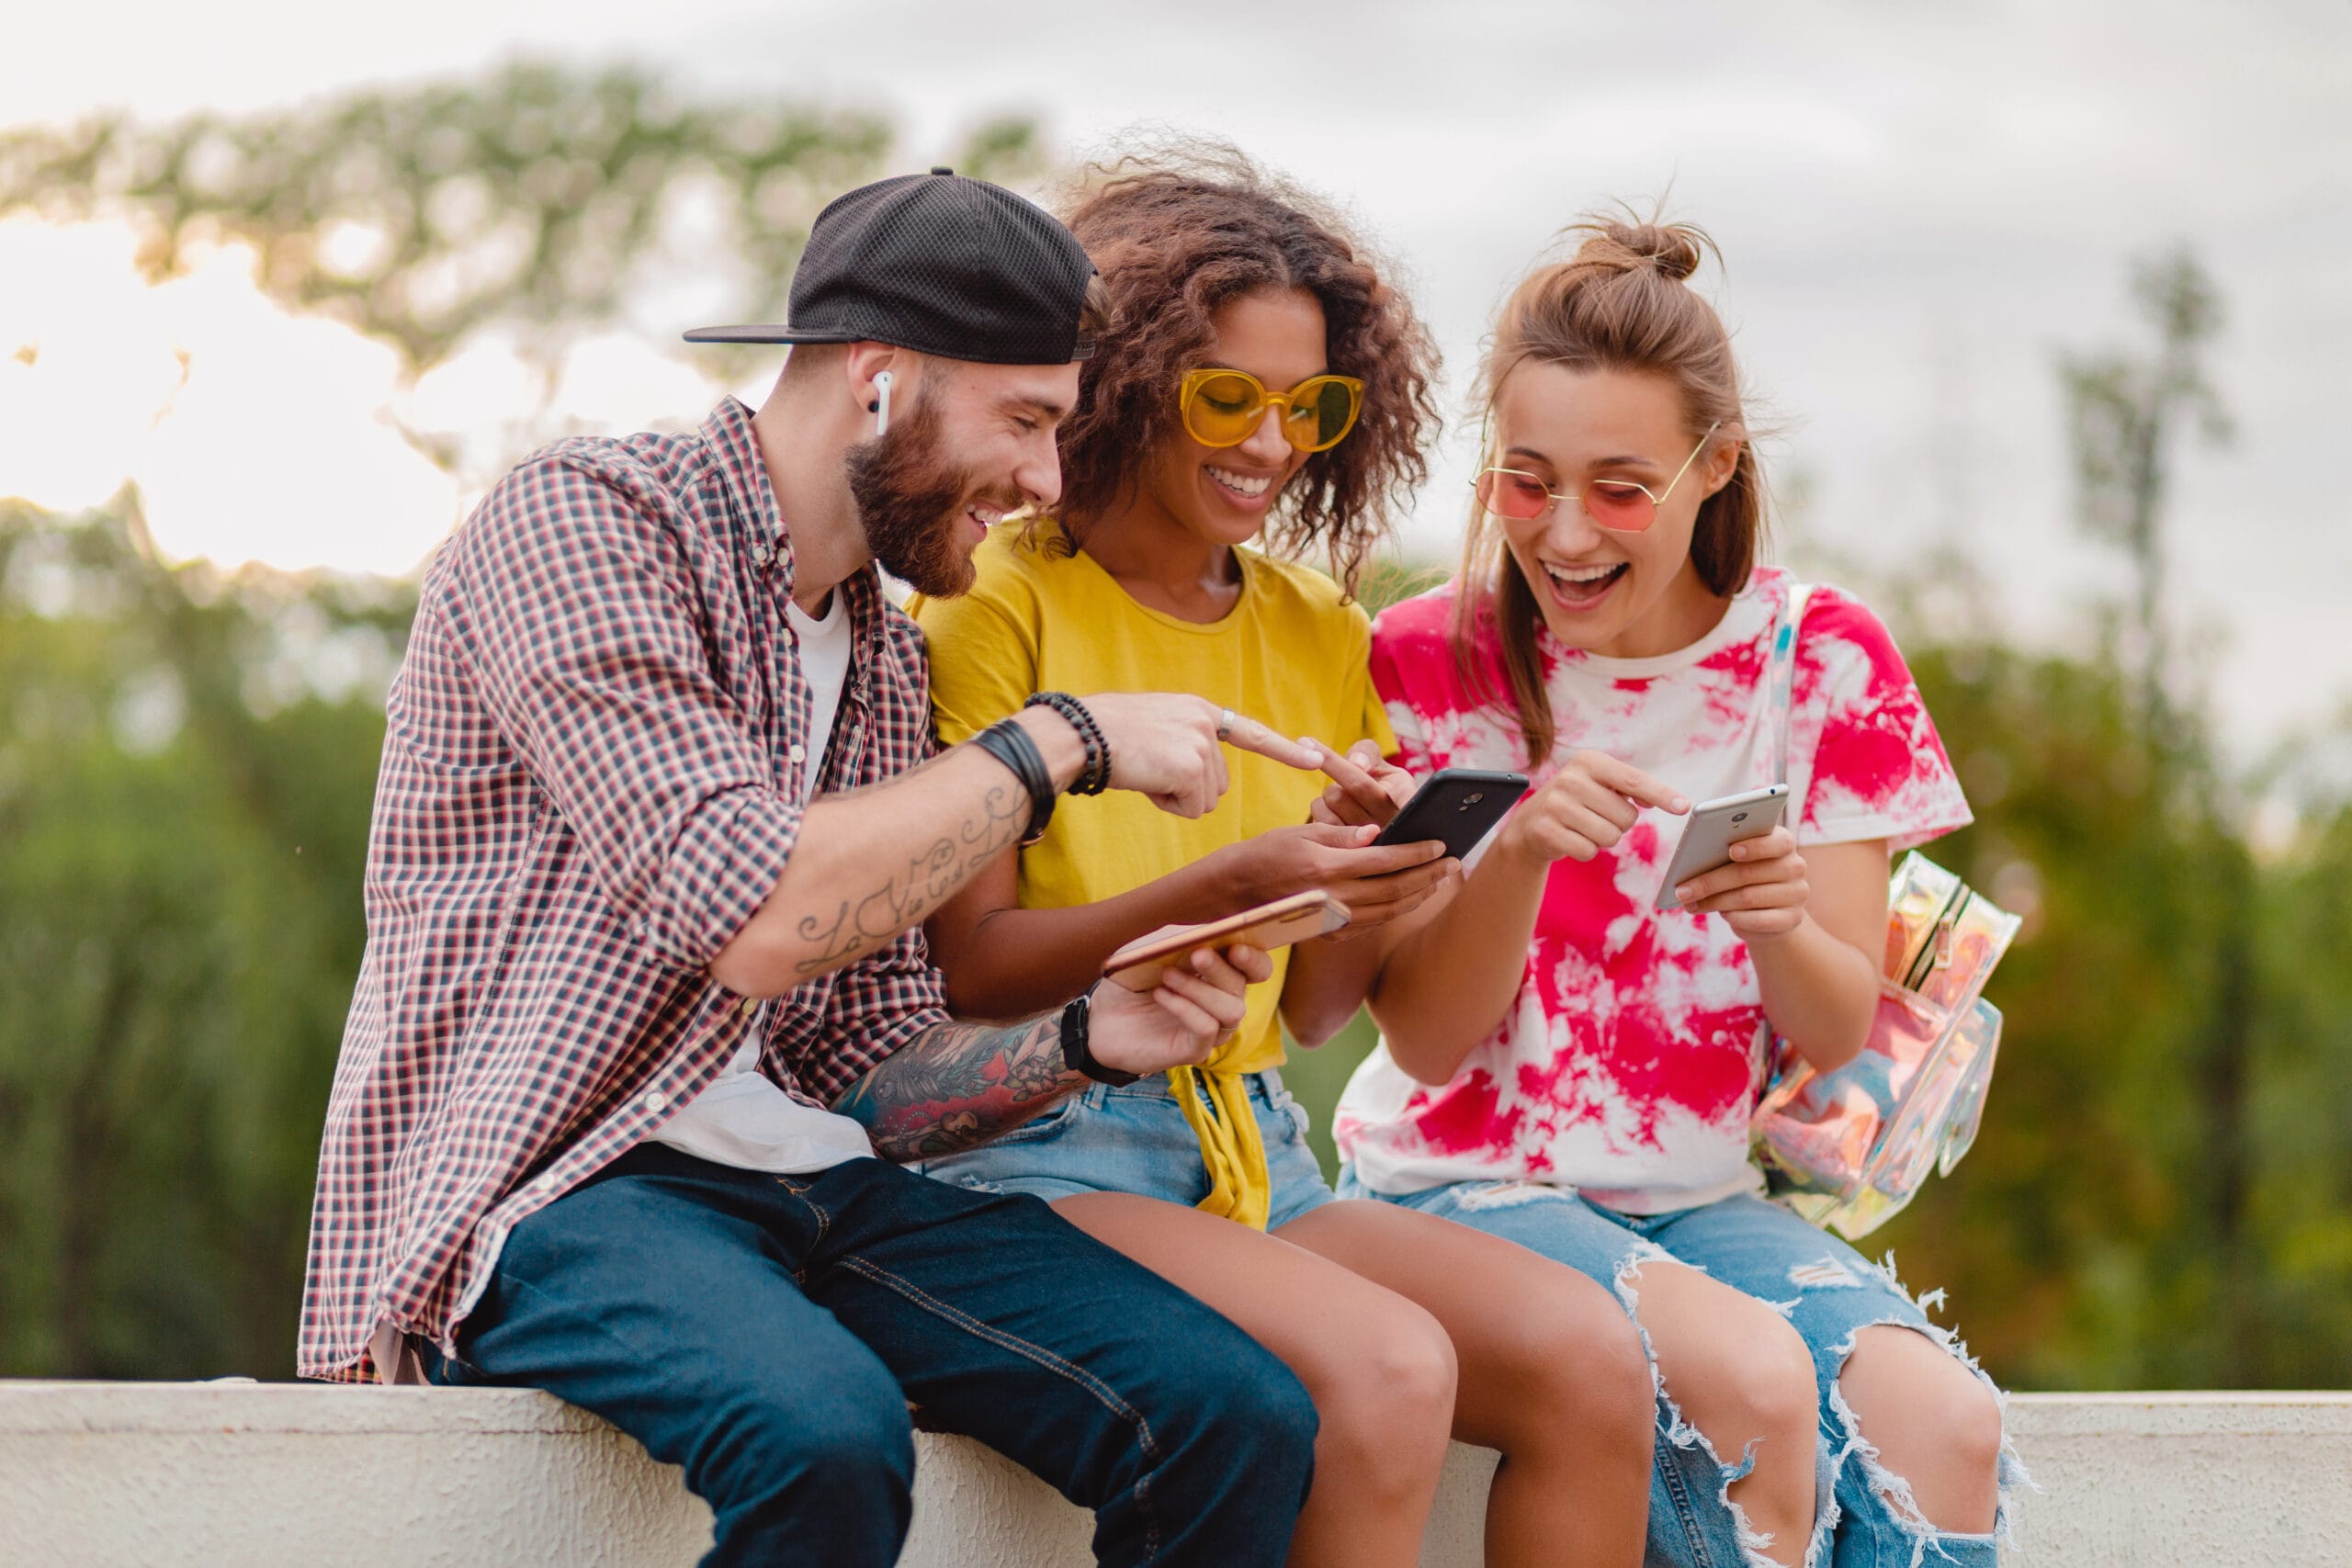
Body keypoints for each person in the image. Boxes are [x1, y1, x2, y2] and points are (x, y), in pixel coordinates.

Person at [297, 168, 1332, 1568]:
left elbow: (867, 1059)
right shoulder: (583, 525)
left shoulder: (883, 655)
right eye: (1027, 421)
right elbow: (755, 912)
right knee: (823, 1435)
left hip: (809, 1178)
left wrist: (1087, 1039)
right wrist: (1062, 741)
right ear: (879, 378)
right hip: (557, 1186)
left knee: (1231, 1413)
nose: (1046, 480)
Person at [908, 152, 1655, 1568]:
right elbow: (973, 970)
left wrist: (1377, 879)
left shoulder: (1319, 628)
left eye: (1309, 406)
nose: (1271, 442)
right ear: (1123, 380)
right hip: (1037, 1146)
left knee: (1591, 1357)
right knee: (1390, 1371)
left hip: (1251, 1147)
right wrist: (1234, 880)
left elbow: (1313, 1011)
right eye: (1226, 398)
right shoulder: (994, 604)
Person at [1327, 215, 2024, 1568]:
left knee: (1945, 1425)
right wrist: (1517, 856)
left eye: (1621, 490)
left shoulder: (1822, 659)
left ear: (1716, 467)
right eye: (1527, 483)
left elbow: (1835, 1032)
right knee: (1750, 1385)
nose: (1566, 534)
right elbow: (1422, 1046)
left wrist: (1778, 923)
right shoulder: (1426, 660)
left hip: (1699, 1198)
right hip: (1460, 1185)